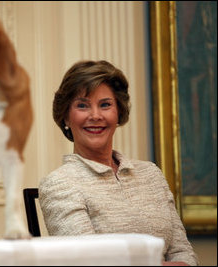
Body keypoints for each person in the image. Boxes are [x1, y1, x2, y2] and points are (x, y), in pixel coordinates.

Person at [39, 60, 198, 266]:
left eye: (105, 105)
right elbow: (89, 263)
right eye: (82, 105)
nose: (95, 116)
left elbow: (185, 254)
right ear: (66, 117)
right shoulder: (59, 184)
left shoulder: (151, 173)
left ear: (118, 113)